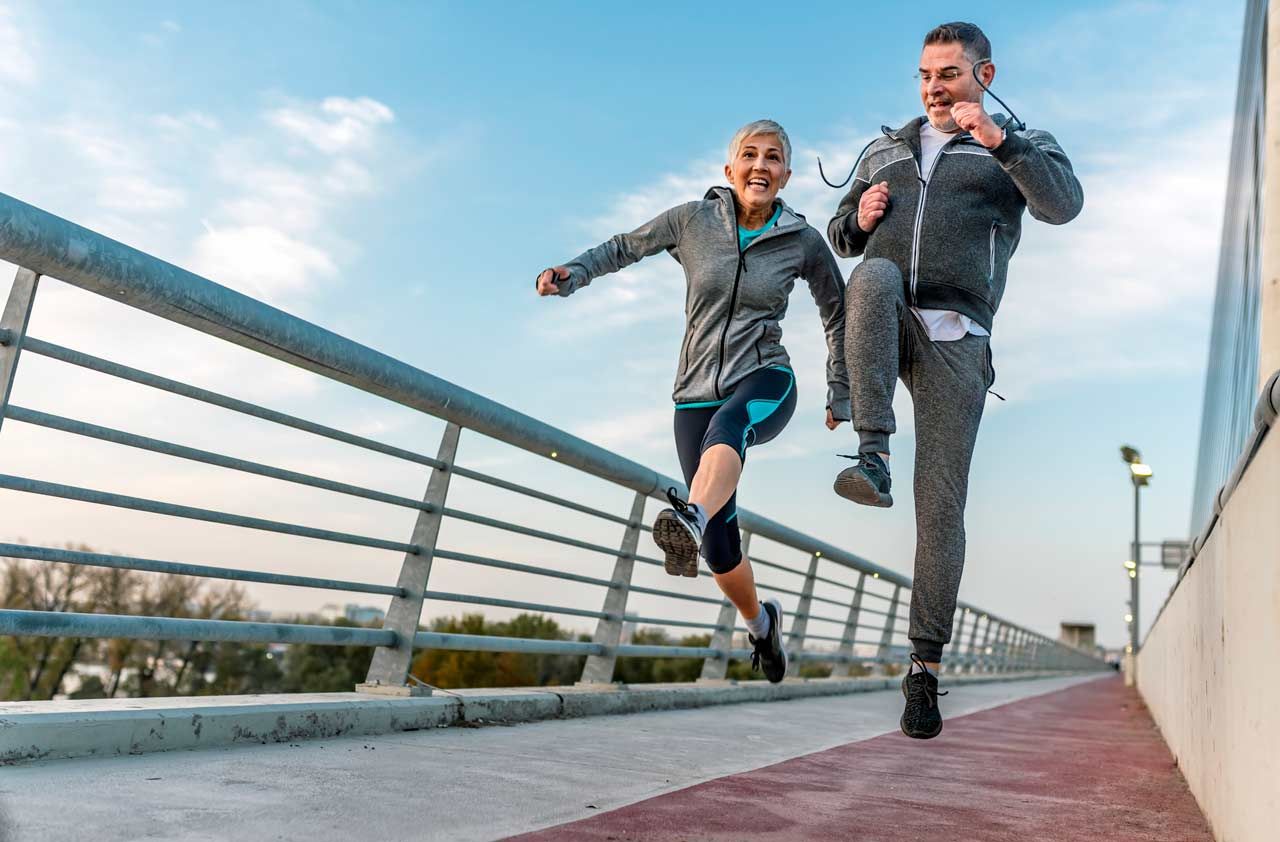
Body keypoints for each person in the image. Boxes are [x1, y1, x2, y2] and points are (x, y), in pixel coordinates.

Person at [827, 22, 1083, 737]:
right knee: (872, 273)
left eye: (947, 73)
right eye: (924, 75)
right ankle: (872, 453)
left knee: (940, 509)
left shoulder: (1018, 146)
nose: (933, 88)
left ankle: (923, 670)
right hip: (882, 322)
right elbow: (841, 238)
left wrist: (1003, 143)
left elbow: (1063, 204)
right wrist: (855, 216)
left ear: (985, 74)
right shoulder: (884, 149)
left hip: (958, 338)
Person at [537, 119, 850, 683]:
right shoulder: (692, 220)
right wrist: (573, 273)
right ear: (729, 170)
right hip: (692, 395)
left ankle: (690, 515)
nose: (761, 165)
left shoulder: (802, 240)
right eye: (749, 156)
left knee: (730, 427)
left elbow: (839, 312)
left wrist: (841, 387)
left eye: (773, 157)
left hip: (764, 380)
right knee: (721, 542)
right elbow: (623, 248)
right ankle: (761, 625)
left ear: (786, 174)